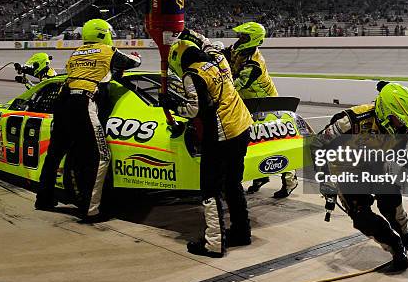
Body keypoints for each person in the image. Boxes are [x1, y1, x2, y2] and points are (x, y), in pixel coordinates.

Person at [312, 82, 408, 272]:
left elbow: (398, 152)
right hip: (346, 169)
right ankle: (395, 247)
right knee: (362, 217)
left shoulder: (401, 129)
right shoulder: (350, 121)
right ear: (385, 112)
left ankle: (404, 229)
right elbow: (317, 144)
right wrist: (325, 179)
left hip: (376, 163)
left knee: (391, 196)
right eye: (400, 121)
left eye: (407, 123)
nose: (404, 127)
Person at [35, 19, 141, 221]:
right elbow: (132, 62)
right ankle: (91, 210)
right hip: (84, 102)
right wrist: (136, 57)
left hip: (63, 102)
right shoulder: (107, 50)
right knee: (99, 157)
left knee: (55, 154)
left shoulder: (75, 53)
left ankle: (43, 199)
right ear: (104, 34)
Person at [160, 39, 253, 258]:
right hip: (242, 126)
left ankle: (213, 243)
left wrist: (171, 104)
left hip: (222, 134)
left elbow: (193, 110)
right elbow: (211, 43)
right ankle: (241, 232)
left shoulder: (192, 74)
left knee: (210, 190)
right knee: (232, 183)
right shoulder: (218, 60)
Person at [225, 22, 298, 198]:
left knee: (276, 142)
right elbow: (223, 56)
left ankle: (290, 181)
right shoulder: (238, 50)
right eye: (240, 36)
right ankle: (260, 176)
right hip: (249, 104)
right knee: (251, 142)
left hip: (267, 105)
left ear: (253, 39)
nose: (239, 39)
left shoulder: (254, 64)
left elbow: (236, 85)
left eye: (244, 37)